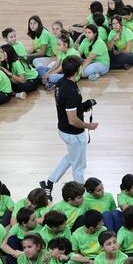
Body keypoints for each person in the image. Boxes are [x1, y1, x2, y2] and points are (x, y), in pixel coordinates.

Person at [41, 57, 95, 188]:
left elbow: (68, 107)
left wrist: (84, 106)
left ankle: (51, 181)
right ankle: (80, 191)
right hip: (73, 134)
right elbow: (73, 120)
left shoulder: (62, 83)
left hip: (64, 129)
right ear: (76, 71)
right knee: (79, 165)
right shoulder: (70, 91)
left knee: (72, 156)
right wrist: (89, 126)